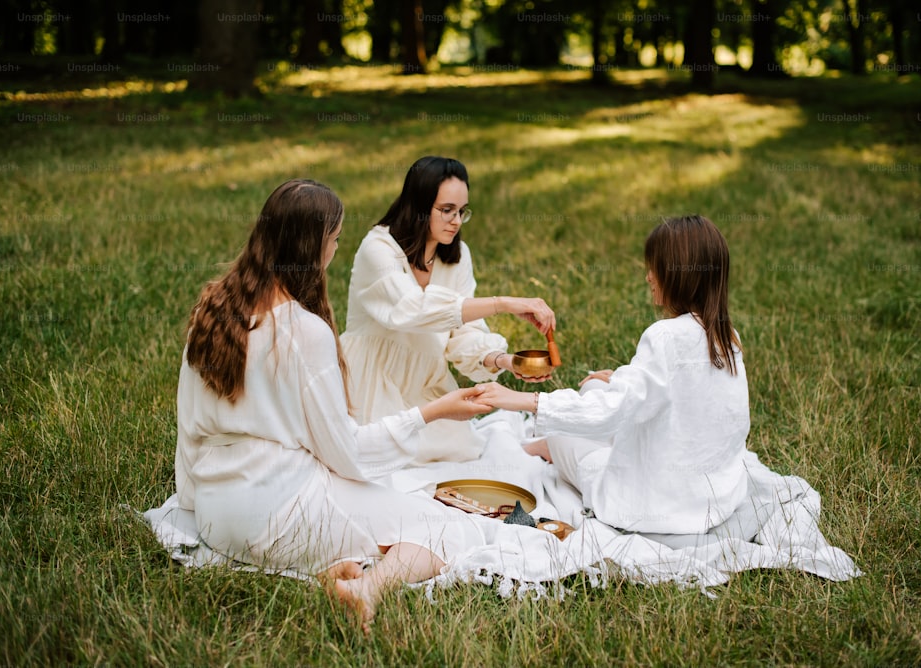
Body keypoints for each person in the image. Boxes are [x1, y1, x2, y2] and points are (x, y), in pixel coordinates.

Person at [174, 179, 495, 632]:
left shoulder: (213, 309)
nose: (337, 250)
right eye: (335, 239)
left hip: (212, 513)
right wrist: (433, 411)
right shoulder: (304, 332)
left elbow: (189, 426)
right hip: (277, 514)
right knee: (445, 528)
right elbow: (346, 454)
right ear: (313, 247)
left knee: (378, 514)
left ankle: (335, 565)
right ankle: (367, 588)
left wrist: (192, 502)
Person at [477, 215, 751, 535]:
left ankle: (547, 449)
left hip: (650, 506)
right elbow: (680, 393)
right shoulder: (727, 335)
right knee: (595, 384)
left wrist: (522, 399)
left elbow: (607, 414)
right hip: (714, 497)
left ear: (678, 276)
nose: (649, 276)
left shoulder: (664, 336)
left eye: (655, 267)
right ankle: (556, 441)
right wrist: (620, 378)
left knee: (562, 429)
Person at [341, 156, 556, 465]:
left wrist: (505, 361)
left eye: (461, 211)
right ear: (418, 206)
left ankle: (521, 454)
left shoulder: (456, 256)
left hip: (426, 384)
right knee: (390, 460)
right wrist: (503, 304)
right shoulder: (378, 248)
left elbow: (461, 333)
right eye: (446, 211)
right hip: (371, 382)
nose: (456, 221)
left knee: (461, 453)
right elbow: (413, 310)